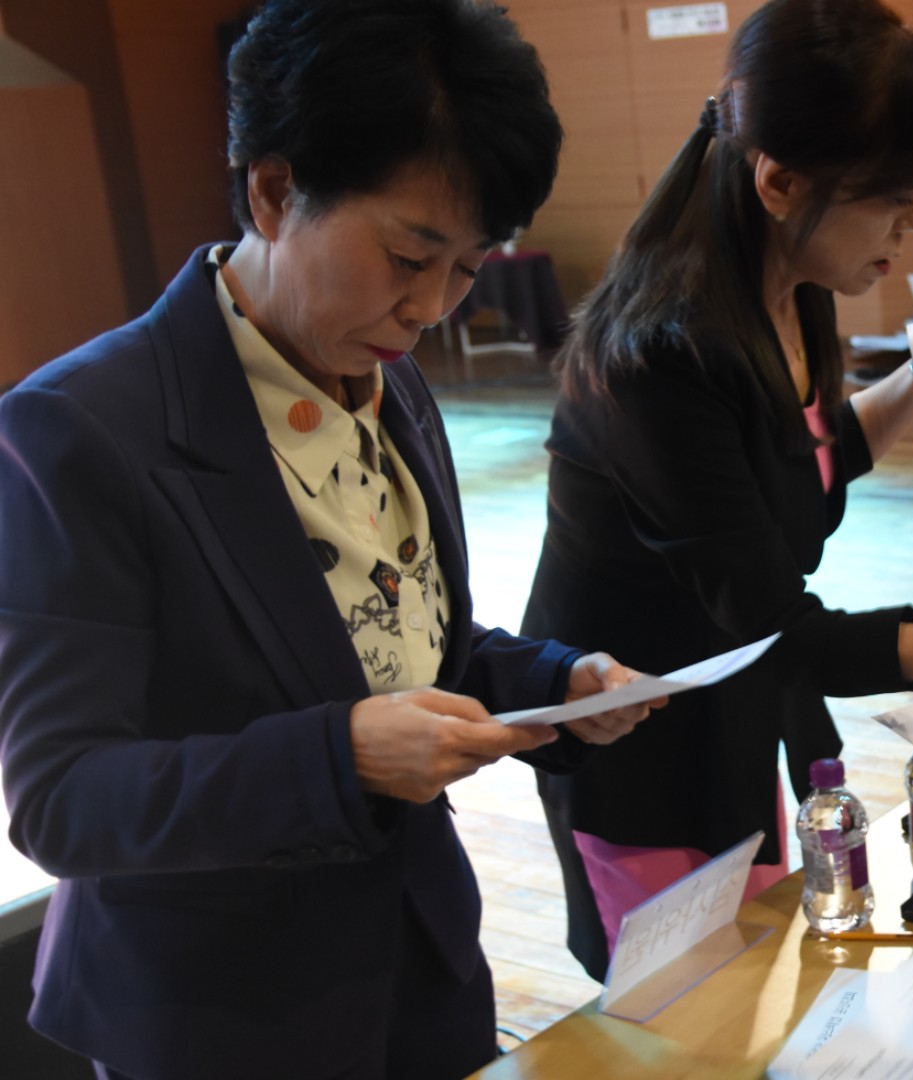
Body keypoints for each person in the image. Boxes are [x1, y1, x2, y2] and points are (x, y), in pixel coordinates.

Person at [0, 2, 665, 1077]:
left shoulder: (390, 385)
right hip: (223, 1014)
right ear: (273, 192)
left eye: (468, 266)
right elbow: (63, 799)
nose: (431, 308)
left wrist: (556, 683)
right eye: (408, 255)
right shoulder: (82, 429)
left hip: (420, 967)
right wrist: (339, 755)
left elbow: (387, 641)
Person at [523, 0, 913, 982]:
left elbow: (810, 457)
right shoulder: (663, 356)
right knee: (678, 1008)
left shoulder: (789, 287)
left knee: (750, 972)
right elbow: (783, 630)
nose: (911, 222)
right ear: (779, 181)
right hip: (638, 740)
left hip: (736, 710)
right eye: (893, 197)